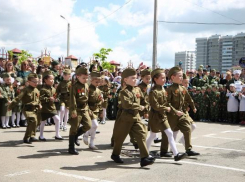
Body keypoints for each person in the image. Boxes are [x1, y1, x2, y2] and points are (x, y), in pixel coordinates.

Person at [111, 68, 155, 167]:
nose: (135, 80)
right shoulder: (123, 92)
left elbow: (144, 101)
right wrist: (140, 107)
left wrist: (146, 108)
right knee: (120, 138)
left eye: (136, 78)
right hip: (125, 117)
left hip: (136, 117)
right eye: (133, 78)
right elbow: (127, 104)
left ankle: (144, 158)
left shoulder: (137, 89)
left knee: (141, 135)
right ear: (125, 80)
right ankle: (115, 154)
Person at [148, 68, 187, 161]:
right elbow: (156, 106)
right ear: (155, 79)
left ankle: (176, 154)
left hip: (162, 116)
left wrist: (175, 111)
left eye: (165, 78)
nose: (164, 80)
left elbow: (166, 103)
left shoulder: (163, 89)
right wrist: (166, 108)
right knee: (152, 136)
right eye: (162, 78)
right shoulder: (153, 91)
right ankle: (145, 153)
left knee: (169, 133)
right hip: (155, 117)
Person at [166, 66, 200, 156]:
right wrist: (175, 111)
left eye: (182, 76)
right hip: (172, 116)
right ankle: (169, 150)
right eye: (180, 76)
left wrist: (193, 107)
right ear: (173, 77)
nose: (182, 78)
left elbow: (189, 99)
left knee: (188, 128)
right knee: (172, 133)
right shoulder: (169, 89)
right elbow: (167, 103)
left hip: (182, 114)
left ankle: (188, 149)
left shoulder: (183, 89)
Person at [8, 73, 41, 144]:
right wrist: (10, 106)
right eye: (34, 82)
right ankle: (32, 136)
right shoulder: (25, 90)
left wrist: (40, 105)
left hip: (35, 109)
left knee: (35, 122)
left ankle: (26, 138)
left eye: (37, 82)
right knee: (33, 120)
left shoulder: (36, 90)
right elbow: (18, 98)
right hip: (27, 109)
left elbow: (38, 100)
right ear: (29, 82)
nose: (36, 83)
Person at [68, 67, 91, 155]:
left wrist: (88, 109)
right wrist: (73, 111)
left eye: (87, 77)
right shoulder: (74, 86)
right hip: (77, 109)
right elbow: (72, 99)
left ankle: (76, 136)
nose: (86, 79)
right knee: (74, 127)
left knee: (88, 125)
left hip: (84, 108)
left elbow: (87, 99)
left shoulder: (86, 85)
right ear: (78, 77)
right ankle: (71, 148)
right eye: (83, 78)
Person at [39, 70, 63, 141]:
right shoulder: (43, 89)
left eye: (53, 79)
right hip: (45, 108)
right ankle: (41, 135)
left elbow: (56, 96)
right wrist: (49, 99)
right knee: (43, 122)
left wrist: (56, 99)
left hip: (52, 107)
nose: (52, 81)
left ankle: (57, 134)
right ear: (45, 80)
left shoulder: (53, 89)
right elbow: (41, 98)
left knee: (57, 119)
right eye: (51, 79)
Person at [83, 71, 103, 150]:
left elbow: (100, 101)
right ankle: (86, 134)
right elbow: (85, 100)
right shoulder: (88, 89)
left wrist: (101, 110)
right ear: (91, 81)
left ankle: (91, 143)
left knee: (94, 127)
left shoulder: (98, 90)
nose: (97, 83)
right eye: (96, 82)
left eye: (99, 82)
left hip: (96, 110)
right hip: (89, 109)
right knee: (95, 125)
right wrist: (87, 109)